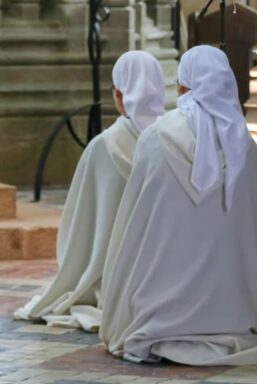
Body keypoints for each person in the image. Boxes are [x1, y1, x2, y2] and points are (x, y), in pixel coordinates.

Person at [100, 46, 257, 365]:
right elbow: (249, 236)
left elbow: (135, 221)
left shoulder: (155, 137)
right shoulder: (244, 148)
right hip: (231, 311)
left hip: (156, 309)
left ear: (182, 86)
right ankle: (219, 320)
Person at [14, 51, 166, 331]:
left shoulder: (105, 145)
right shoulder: (174, 140)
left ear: (119, 94)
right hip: (165, 275)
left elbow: (81, 218)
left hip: (113, 275)